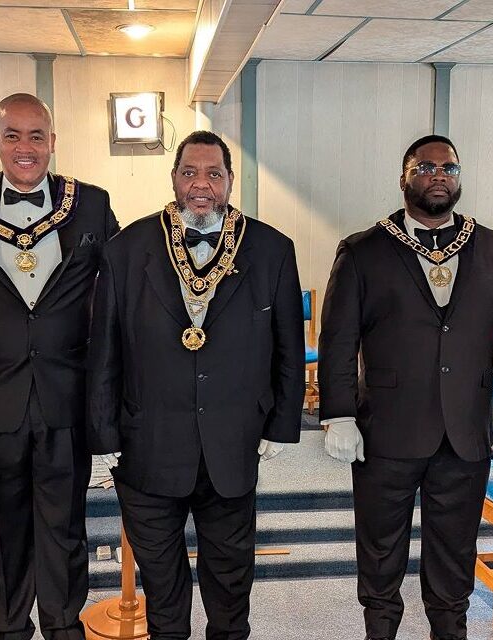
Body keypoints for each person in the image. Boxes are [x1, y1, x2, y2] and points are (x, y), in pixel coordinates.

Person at [319, 135, 493, 640]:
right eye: (425, 168)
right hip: (385, 431)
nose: (438, 175)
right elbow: (337, 340)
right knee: (379, 549)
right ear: (404, 178)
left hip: (464, 432)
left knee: (455, 550)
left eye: (449, 168)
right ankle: (379, 631)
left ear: (459, 178)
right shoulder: (363, 250)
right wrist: (338, 414)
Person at [88, 130, 304, 640]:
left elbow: (288, 347)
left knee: (230, 588)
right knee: (162, 591)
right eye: (190, 172)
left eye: (214, 174)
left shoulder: (272, 249)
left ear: (230, 181)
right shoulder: (126, 250)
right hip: (147, 448)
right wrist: (102, 436)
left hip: (232, 446)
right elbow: (104, 353)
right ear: (173, 178)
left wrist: (280, 423)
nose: (200, 185)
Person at [0, 93, 119, 640]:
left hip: (67, 396)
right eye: (13, 135)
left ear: (53, 142)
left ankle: (63, 628)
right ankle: (8, 631)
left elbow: (128, 287)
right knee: (5, 532)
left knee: (64, 528)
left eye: (37, 136)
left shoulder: (94, 205)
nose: (25, 147)